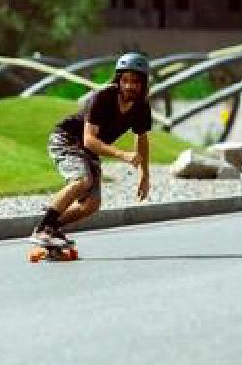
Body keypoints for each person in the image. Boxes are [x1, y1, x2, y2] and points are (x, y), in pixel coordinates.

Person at [31, 52, 152, 246]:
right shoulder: (103, 97)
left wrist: (145, 175)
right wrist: (121, 154)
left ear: (143, 84)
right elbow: (89, 140)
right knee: (81, 180)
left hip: (89, 151)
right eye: (125, 80)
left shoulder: (142, 107)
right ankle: (42, 229)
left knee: (91, 205)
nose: (129, 85)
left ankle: (52, 227)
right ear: (118, 80)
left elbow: (142, 138)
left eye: (135, 81)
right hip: (67, 139)